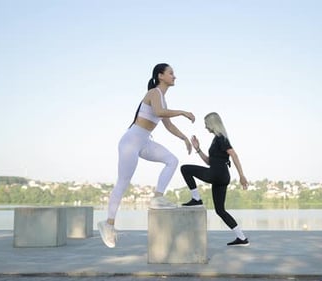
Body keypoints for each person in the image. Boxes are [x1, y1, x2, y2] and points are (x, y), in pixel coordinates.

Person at [97, 63, 195, 248]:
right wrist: (182, 112)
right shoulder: (153, 93)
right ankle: (108, 224)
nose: (175, 76)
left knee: (172, 160)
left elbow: (168, 125)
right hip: (131, 142)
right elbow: (159, 113)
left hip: (144, 142)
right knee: (123, 183)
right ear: (160, 76)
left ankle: (157, 197)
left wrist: (184, 138)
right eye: (171, 73)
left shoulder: (162, 100)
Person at [180, 112, 250, 246]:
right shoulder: (217, 139)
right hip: (221, 176)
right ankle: (242, 238)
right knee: (220, 210)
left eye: (206, 124)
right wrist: (198, 149)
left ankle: (196, 199)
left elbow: (234, 155)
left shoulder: (221, 138)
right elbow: (209, 162)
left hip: (217, 174)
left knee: (185, 169)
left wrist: (241, 175)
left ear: (213, 124)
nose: (205, 127)